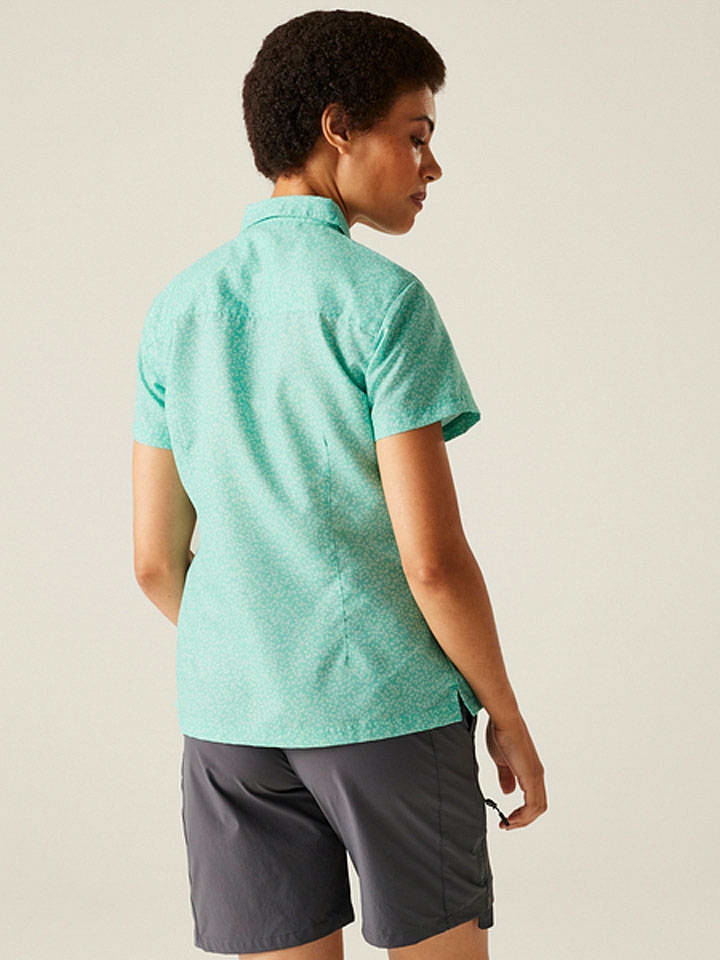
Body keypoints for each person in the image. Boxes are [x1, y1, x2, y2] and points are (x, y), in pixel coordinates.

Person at [132, 10, 546, 960]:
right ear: (337, 128)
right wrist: (506, 715)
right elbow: (432, 561)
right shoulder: (383, 302)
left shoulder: (177, 308)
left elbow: (154, 562)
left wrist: (261, 646)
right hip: (384, 709)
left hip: (230, 724)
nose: (431, 166)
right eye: (416, 136)